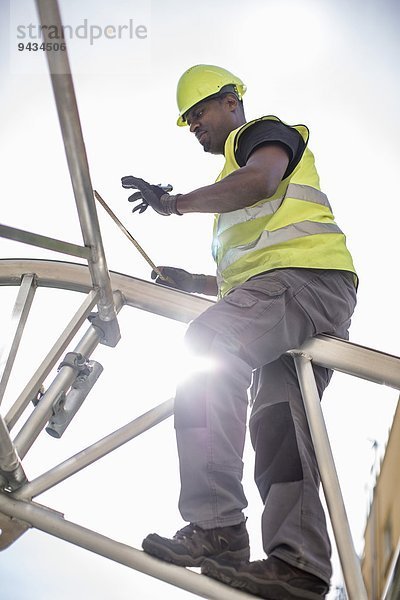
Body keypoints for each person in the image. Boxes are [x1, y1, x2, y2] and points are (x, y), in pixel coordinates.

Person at [121, 64, 357, 600]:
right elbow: (250, 273)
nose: (194, 127)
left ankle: (218, 526)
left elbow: (259, 183)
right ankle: (298, 567)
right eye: (187, 122)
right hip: (303, 296)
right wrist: (196, 281)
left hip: (302, 284)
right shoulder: (237, 177)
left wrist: (172, 203)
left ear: (231, 102)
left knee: (208, 344)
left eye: (198, 113)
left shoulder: (259, 136)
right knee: (279, 428)